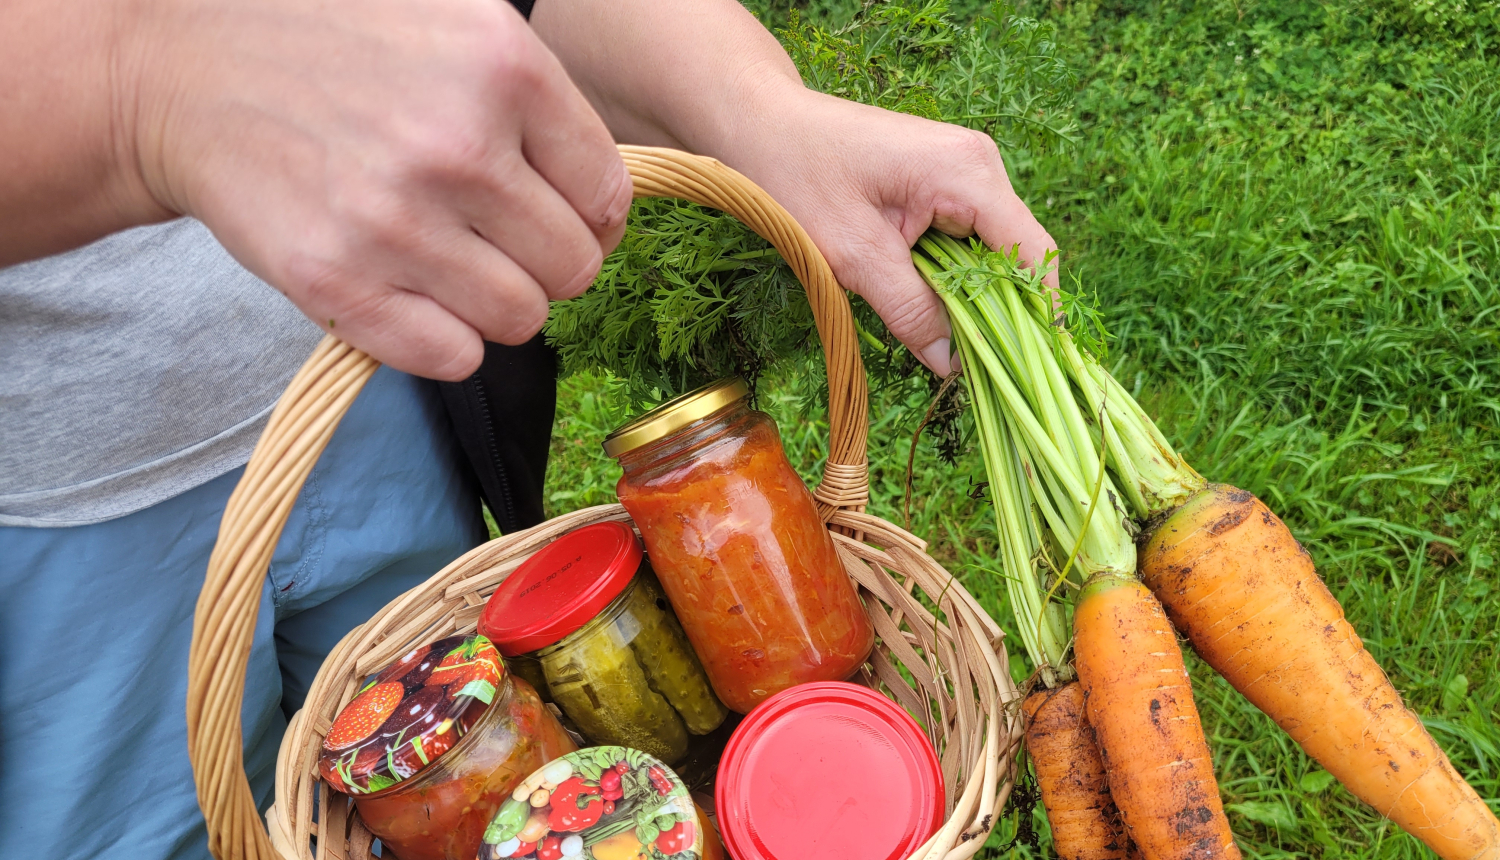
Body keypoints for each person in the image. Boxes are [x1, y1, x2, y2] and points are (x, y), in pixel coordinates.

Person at [0, 0, 1057, 857]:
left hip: (393, 382)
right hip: (50, 504)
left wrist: (755, 112)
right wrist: (145, 92)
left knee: (452, 736)